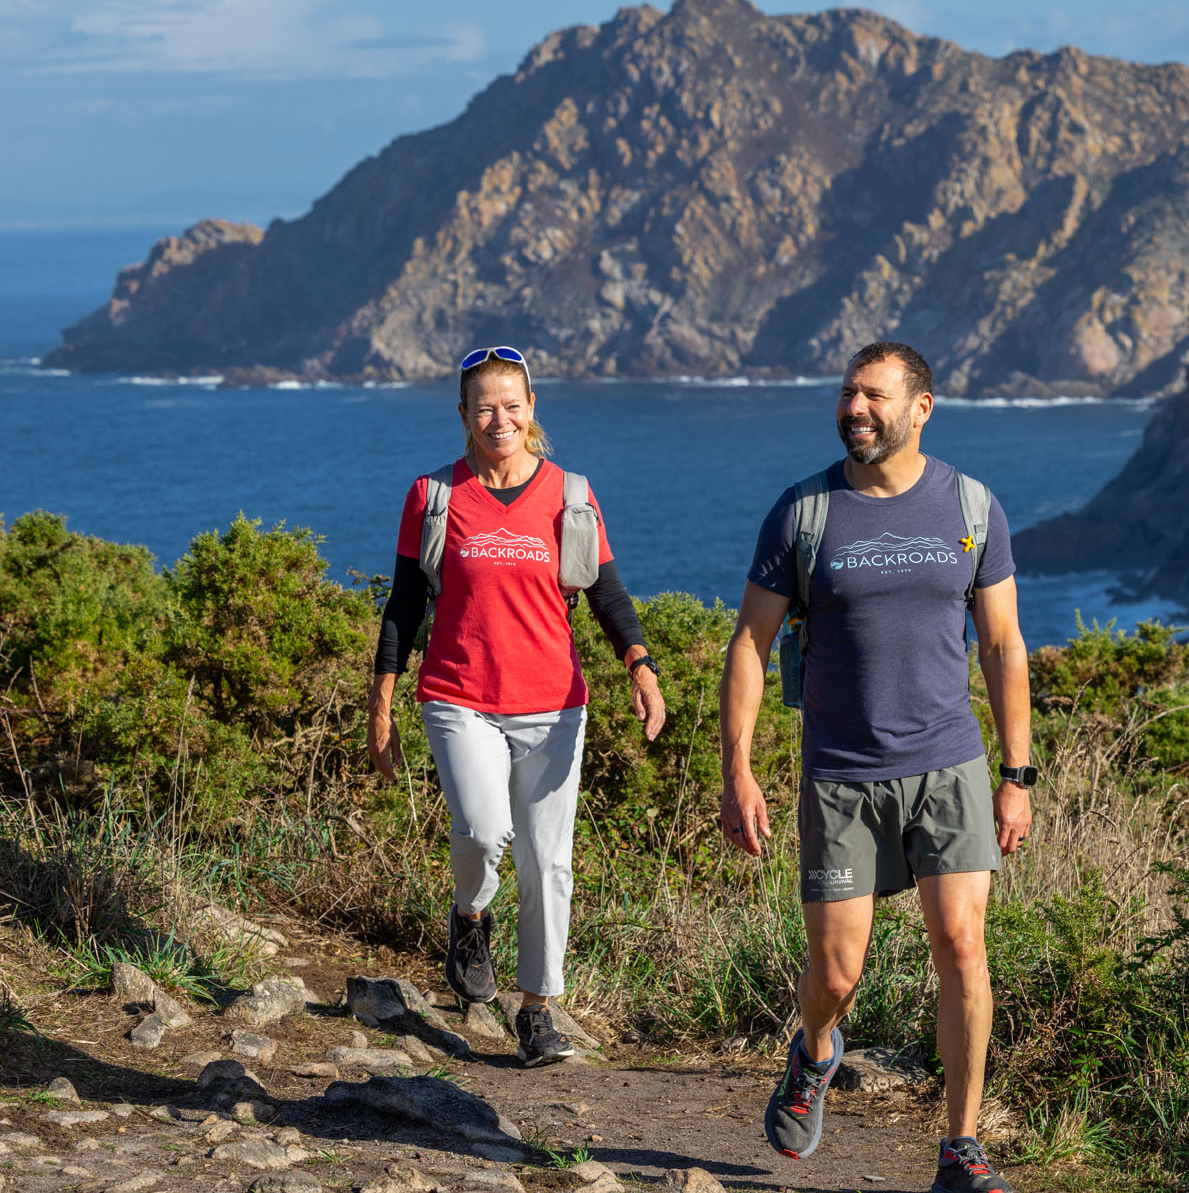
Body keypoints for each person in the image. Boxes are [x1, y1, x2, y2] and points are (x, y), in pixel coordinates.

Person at [719, 341, 1033, 1193]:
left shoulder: (971, 505)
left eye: (874, 396)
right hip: (841, 774)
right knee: (836, 974)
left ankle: (960, 1149)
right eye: (848, 394)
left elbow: (1002, 644)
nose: (855, 408)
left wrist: (1017, 771)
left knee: (963, 947)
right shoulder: (803, 513)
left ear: (921, 407)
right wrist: (738, 770)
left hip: (949, 764)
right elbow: (750, 643)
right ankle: (814, 1052)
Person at [368, 345, 666, 1067]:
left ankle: (537, 1012)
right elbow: (405, 606)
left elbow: (606, 593)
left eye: (512, 404)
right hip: (458, 695)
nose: (499, 418)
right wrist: (380, 705)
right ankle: (469, 914)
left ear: (531, 410)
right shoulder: (434, 495)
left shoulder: (571, 494)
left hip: (554, 705)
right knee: (481, 829)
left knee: (548, 863)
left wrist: (642, 667)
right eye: (484, 406)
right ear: (464, 415)